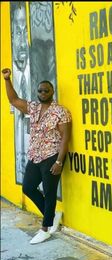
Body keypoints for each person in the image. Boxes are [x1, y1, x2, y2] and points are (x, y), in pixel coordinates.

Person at [2, 68, 72, 244]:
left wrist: (59, 161)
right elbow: (13, 99)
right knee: (28, 187)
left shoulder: (61, 112)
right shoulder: (33, 107)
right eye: (40, 90)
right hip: (35, 155)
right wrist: (7, 79)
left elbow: (65, 138)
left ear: (52, 92)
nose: (42, 93)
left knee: (49, 193)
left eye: (46, 90)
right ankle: (52, 216)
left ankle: (46, 228)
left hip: (52, 156)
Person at [11, 3, 31, 183]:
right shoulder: (13, 77)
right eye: (18, 32)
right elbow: (14, 100)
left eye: (26, 32)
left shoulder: (36, 80)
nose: (23, 41)